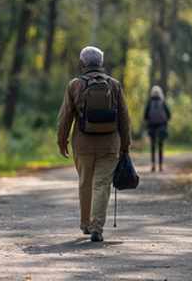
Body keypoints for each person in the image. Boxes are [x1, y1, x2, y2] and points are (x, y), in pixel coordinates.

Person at [57, 46, 131, 242]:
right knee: (102, 185)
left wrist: (62, 141)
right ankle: (97, 226)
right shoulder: (114, 84)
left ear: (82, 63)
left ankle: (86, 224)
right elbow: (124, 117)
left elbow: (65, 116)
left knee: (85, 183)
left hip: (83, 145)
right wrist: (125, 144)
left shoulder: (74, 85)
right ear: (101, 63)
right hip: (110, 145)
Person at [143, 85, 171, 173]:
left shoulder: (149, 103)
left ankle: (153, 165)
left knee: (153, 147)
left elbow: (145, 116)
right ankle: (161, 166)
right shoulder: (163, 103)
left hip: (152, 127)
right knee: (160, 147)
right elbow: (169, 115)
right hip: (161, 127)